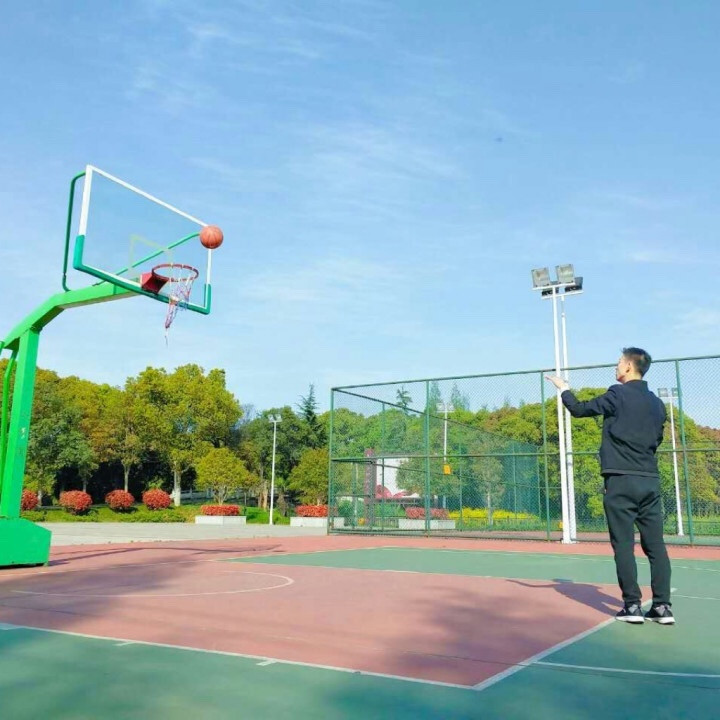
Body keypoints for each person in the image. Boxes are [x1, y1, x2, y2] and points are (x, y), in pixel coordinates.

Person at [545, 347, 674, 625]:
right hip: (649, 480)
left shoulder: (616, 394)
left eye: (618, 363)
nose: (615, 367)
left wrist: (563, 388)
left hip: (620, 480)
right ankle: (662, 607)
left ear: (628, 367)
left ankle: (632, 606)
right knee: (656, 546)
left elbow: (579, 409)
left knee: (624, 545)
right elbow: (657, 438)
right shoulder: (658, 404)